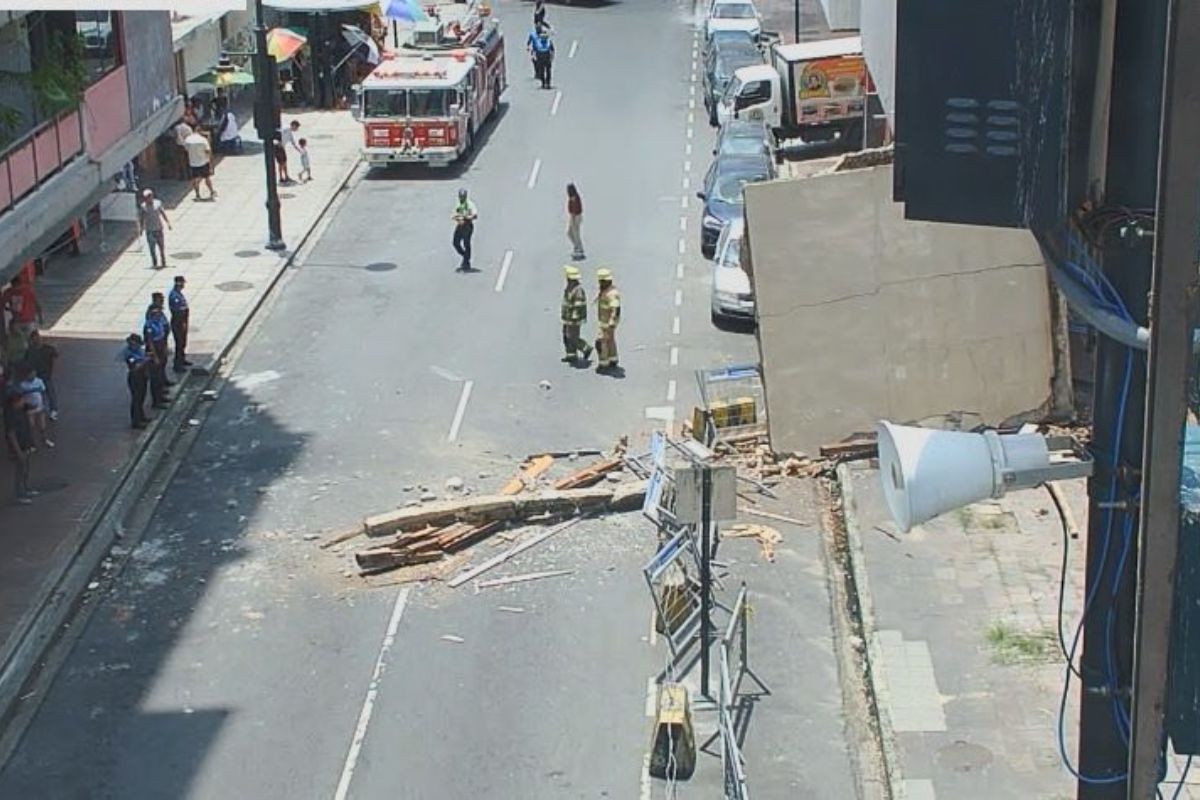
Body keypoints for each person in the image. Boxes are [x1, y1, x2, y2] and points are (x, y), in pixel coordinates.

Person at [3, 391, 35, 504]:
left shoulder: (22, 410)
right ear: (14, 402)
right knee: (20, 470)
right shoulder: (11, 416)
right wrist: (17, 451)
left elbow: (32, 406)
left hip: (26, 443)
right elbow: (11, 435)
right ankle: (20, 494)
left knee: (26, 467)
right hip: (19, 446)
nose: (23, 401)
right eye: (21, 400)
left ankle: (26, 488)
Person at [143, 294, 171, 406]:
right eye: (157, 312)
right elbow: (150, 342)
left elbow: (163, 334)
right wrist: (154, 357)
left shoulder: (158, 321)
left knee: (160, 372)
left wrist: (165, 347)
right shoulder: (149, 325)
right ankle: (156, 400)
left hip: (161, 346)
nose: (159, 314)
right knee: (155, 376)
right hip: (154, 350)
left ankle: (161, 394)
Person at [14, 364, 51, 448]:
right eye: (31, 374)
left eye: (34, 374)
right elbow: (21, 397)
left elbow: (43, 393)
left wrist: (45, 404)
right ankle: (32, 442)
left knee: (42, 425)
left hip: (40, 407)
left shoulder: (39, 381)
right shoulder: (23, 384)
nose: (33, 375)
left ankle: (44, 439)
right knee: (31, 426)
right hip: (29, 409)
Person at [560, 266, 592, 364]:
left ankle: (585, 348)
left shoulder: (578, 290)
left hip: (574, 319)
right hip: (568, 317)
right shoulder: (570, 288)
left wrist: (574, 317)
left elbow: (579, 305)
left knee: (572, 337)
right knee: (566, 336)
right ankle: (571, 355)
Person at [120, 333, 151, 429]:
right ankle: (136, 421)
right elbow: (135, 367)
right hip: (135, 377)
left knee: (142, 397)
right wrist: (146, 360)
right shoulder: (129, 354)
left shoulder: (138, 351)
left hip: (142, 376)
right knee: (136, 399)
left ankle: (141, 416)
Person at [25, 330, 58, 421]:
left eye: (38, 338)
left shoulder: (47, 348)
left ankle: (53, 410)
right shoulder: (30, 351)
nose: (37, 340)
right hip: (36, 376)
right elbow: (27, 362)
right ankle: (42, 410)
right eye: (35, 339)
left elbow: (56, 355)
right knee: (39, 394)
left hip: (45, 374)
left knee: (50, 392)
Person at [594, 268, 621, 373]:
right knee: (610, 340)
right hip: (605, 322)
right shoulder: (606, 291)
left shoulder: (611, 294)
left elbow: (616, 310)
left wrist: (612, 323)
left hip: (608, 323)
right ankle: (613, 359)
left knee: (600, 342)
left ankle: (603, 364)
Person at [138, 188, 172, 269]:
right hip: (149, 230)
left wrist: (168, 223)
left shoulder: (158, 203)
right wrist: (141, 229)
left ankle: (163, 262)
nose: (147, 199)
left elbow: (162, 213)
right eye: (145, 197)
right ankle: (155, 262)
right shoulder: (143, 206)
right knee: (152, 248)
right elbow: (141, 218)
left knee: (161, 247)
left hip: (158, 228)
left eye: (149, 197)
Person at [183, 128, 216, 200]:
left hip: (193, 163)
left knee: (195, 179)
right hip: (203, 162)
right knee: (207, 178)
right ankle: (211, 191)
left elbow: (186, 149)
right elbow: (208, 151)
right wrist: (210, 162)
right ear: (199, 131)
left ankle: (197, 194)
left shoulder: (187, 140)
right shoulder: (203, 140)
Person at [168, 275, 192, 373]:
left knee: (183, 343)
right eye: (182, 283)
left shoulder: (178, 293)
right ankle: (177, 365)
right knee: (179, 343)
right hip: (178, 322)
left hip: (183, 321)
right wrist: (182, 323)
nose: (183, 285)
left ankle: (182, 360)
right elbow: (177, 312)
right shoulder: (174, 296)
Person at [451, 188, 478, 271]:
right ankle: (465, 255)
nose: (461, 198)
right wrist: (458, 219)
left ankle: (466, 261)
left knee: (466, 242)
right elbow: (454, 215)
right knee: (455, 243)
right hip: (460, 225)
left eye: (463, 197)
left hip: (468, 225)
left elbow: (475, 215)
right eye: (460, 197)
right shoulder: (458, 204)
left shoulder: (470, 204)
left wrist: (466, 217)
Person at [566, 183, 585, 260]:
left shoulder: (575, 198)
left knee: (576, 233)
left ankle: (579, 248)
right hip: (573, 216)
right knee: (569, 233)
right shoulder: (571, 198)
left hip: (576, 216)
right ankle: (576, 246)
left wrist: (573, 217)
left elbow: (577, 209)